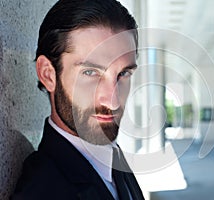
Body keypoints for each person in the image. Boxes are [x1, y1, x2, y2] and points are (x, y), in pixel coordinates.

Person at [11, 0, 144, 199]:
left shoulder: (110, 157)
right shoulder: (42, 191)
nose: (113, 101)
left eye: (123, 74)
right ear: (48, 74)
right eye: (91, 72)